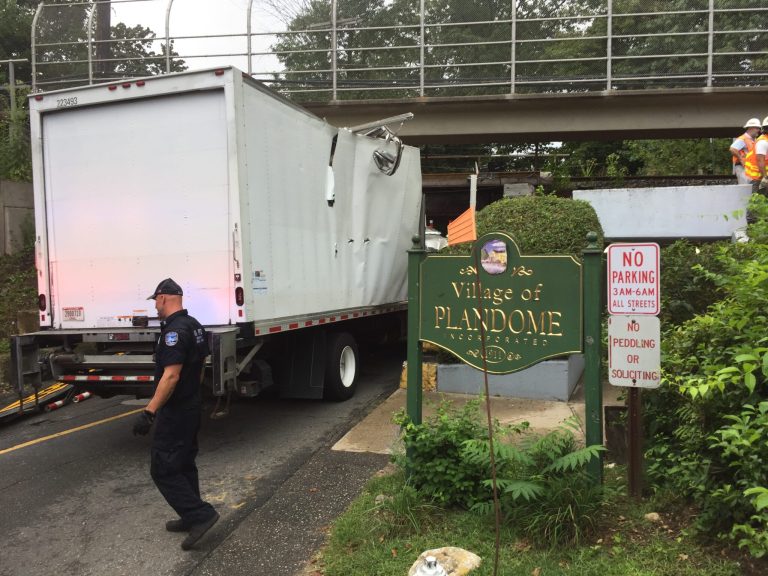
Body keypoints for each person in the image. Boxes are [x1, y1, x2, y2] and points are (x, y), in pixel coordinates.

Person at [133, 277, 219, 550]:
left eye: (156, 301)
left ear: (162, 298)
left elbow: (171, 376)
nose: (155, 307)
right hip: (191, 405)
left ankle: (200, 515)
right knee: (183, 462)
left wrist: (149, 412)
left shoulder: (173, 332)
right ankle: (189, 515)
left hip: (177, 410)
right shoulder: (194, 326)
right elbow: (201, 364)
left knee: (163, 468)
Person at [730, 118, 762, 185]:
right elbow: (732, 149)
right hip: (742, 168)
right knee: (745, 187)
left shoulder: (754, 140)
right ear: (750, 128)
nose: (759, 130)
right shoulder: (743, 138)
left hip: (749, 168)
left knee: (751, 188)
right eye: (757, 128)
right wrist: (741, 159)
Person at [752, 116, 768, 196]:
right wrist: (765, 178)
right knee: (759, 204)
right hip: (761, 178)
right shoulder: (763, 142)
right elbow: (760, 160)